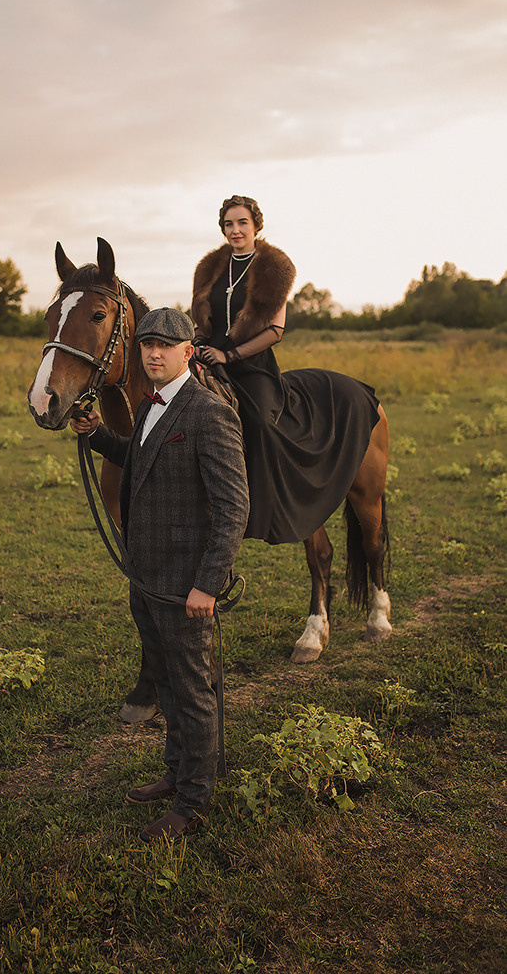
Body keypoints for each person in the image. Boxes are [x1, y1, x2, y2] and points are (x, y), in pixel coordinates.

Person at [70, 307, 249, 843]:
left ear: (188, 352)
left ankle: (195, 799)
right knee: (167, 685)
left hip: (184, 587)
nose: (153, 354)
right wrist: (99, 435)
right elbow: (140, 459)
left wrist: (207, 585)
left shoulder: (207, 413)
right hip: (146, 578)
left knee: (193, 689)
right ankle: (176, 772)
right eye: (147, 345)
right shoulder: (152, 406)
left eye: (166, 346)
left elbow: (233, 506)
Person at [191, 194, 382, 544]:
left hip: (251, 366)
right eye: (228, 224)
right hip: (206, 359)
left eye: (242, 223)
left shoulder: (275, 267)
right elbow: (201, 318)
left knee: (262, 420)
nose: (235, 230)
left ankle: (260, 507)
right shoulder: (208, 268)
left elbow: (275, 331)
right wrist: (201, 344)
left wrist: (229, 356)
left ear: (256, 226)